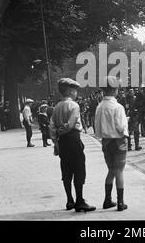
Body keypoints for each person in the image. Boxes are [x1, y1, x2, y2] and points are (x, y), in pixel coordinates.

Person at [50, 78, 96, 212]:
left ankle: (69, 200)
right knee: (79, 169)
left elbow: (51, 126)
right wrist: (63, 130)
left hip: (62, 141)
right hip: (73, 138)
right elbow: (70, 124)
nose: (76, 93)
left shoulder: (56, 107)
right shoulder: (74, 106)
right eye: (75, 90)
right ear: (70, 91)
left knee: (66, 170)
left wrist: (56, 140)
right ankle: (80, 200)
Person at [95, 76, 129, 211]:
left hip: (106, 142)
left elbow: (97, 127)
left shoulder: (99, 106)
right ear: (115, 90)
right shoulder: (118, 107)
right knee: (119, 171)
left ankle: (107, 200)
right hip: (118, 141)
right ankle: (121, 202)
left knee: (111, 170)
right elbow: (121, 127)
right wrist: (126, 124)